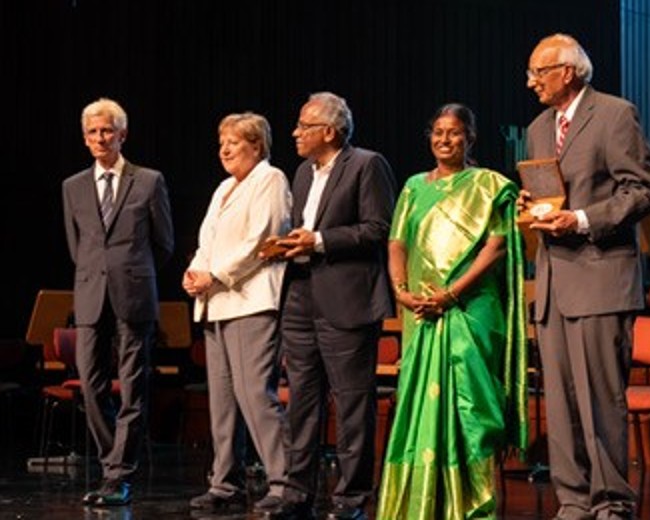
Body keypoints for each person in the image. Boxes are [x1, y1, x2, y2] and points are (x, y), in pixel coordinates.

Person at [521, 33, 650, 520]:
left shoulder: (615, 114)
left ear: (569, 72)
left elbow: (641, 191)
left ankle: (611, 501)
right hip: (554, 283)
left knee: (601, 400)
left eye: (539, 71)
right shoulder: (539, 127)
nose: (530, 81)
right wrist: (533, 208)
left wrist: (580, 219)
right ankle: (574, 499)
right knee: (560, 405)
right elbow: (548, 190)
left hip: (600, 277)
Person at [376, 104, 529, 519]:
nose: (445, 139)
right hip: (421, 313)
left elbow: (496, 248)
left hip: (472, 311)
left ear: (470, 138)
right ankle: (424, 503)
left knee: (473, 409)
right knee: (420, 405)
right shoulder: (412, 187)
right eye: (438, 132)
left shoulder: (490, 186)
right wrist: (402, 291)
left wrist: (452, 293)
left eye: (454, 132)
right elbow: (397, 244)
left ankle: (475, 504)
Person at [260, 92, 397, 520]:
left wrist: (319, 241)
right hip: (301, 297)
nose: (295, 133)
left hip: (347, 301)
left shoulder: (366, 165)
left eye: (304, 125)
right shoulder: (303, 172)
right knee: (302, 400)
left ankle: (351, 497)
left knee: (352, 402)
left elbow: (378, 228)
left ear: (330, 131)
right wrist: (288, 246)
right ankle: (296, 492)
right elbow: (305, 228)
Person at [61, 97, 174, 507]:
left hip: (134, 293)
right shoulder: (72, 186)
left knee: (133, 387)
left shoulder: (148, 181)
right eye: (92, 132)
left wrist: (131, 271)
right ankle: (114, 460)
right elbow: (78, 247)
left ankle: (118, 475)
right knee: (90, 384)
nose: (99, 138)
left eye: (106, 130)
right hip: (91, 294)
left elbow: (164, 244)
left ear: (122, 134)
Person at [183, 112, 293, 513]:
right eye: (222, 142)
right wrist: (196, 271)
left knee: (254, 395)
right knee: (223, 401)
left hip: (251, 301)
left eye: (234, 141)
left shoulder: (271, 179)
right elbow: (206, 240)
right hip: (216, 304)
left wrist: (214, 275)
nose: (225, 149)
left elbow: (262, 241)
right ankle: (224, 484)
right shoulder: (224, 188)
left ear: (257, 146)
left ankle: (284, 482)